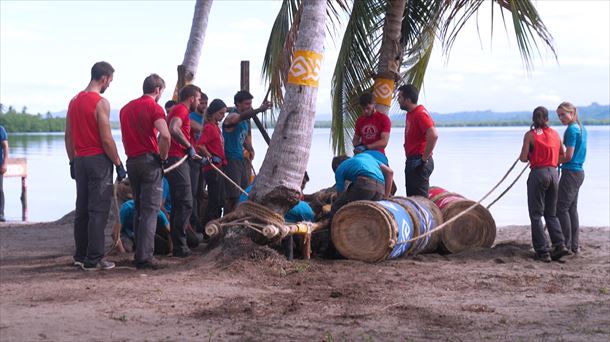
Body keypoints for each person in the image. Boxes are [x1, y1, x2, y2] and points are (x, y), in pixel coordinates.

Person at [65, 61, 126, 271]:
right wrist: (118, 163)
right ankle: (94, 259)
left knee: (82, 209)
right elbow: (107, 139)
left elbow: (68, 136)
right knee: (98, 210)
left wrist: (72, 160)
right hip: (98, 160)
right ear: (104, 78)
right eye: (110, 81)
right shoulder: (101, 102)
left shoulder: (74, 101)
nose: (110, 84)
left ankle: (80, 256)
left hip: (80, 159)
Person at [119, 73, 171, 269]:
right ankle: (145, 257)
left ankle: (138, 252)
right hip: (149, 161)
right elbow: (165, 136)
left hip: (131, 161)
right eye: (161, 92)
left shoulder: (125, 109)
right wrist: (163, 158)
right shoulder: (154, 108)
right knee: (151, 210)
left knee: (139, 209)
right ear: (157, 90)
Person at [519, 106, 570, 263]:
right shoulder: (555, 134)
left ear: (533, 120)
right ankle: (559, 245)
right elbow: (563, 156)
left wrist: (534, 157)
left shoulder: (530, 135)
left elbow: (523, 158)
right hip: (554, 173)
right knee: (551, 213)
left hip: (538, 174)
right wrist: (551, 162)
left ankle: (543, 251)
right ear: (547, 119)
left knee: (535, 215)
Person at [166, 84, 202, 258]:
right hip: (176, 159)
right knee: (186, 201)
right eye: (199, 98)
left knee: (179, 203)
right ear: (192, 98)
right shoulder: (181, 110)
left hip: (177, 159)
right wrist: (188, 147)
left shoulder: (180, 110)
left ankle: (178, 245)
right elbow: (174, 129)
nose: (200, 102)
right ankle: (180, 246)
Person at [222, 90, 271, 213]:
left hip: (241, 159)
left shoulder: (243, 120)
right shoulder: (231, 116)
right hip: (231, 160)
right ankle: (227, 219)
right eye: (246, 104)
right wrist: (259, 110)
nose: (249, 107)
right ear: (237, 104)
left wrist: (250, 148)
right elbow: (240, 117)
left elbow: (242, 136)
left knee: (244, 191)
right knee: (233, 195)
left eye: (250, 104)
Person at [556, 102, 587, 255]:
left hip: (571, 172)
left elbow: (568, 156)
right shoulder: (582, 128)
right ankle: (574, 246)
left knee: (560, 208)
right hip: (579, 172)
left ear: (573, 112)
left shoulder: (571, 130)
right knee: (571, 209)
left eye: (563, 114)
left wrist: (554, 161)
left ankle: (565, 245)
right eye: (559, 115)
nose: (561, 118)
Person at [397, 84, 438, 197]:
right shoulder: (411, 114)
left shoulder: (420, 113)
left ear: (408, 99)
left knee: (420, 202)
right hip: (412, 161)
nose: (398, 100)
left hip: (419, 161)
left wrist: (424, 159)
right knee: (412, 199)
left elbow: (433, 135)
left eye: (400, 97)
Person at [196, 99, 227, 226]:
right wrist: (211, 157)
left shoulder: (216, 128)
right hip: (213, 169)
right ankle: (208, 228)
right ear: (214, 113)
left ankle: (213, 225)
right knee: (214, 200)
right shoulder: (209, 127)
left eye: (224, 113)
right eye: (220, 113)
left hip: (219, 167)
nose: (222, 116)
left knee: (219, 200)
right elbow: (200, 145)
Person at [352, 92, 391, 166]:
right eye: (363, 109)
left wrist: (366, 147)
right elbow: (355, 139)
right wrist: (357, 146)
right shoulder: (360, 120)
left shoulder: (383, 119)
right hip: (364, 156)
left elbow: (384, 142)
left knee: (389, 175)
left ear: (374, 104)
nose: (366, 111)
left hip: (378, 156)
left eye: (368, 108)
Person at [188, 91, 208, 231]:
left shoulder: (206, 118)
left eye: (206, 103)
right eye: (201, 103)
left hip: (204, 159)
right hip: (193, 157)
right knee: (193, 191)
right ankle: (193, 221)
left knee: (201, 191)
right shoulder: (190, 116)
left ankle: (199, 220)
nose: (204, 106)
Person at [0, 125, 8, 222]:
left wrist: (5, 163)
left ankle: (1, 214)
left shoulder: (1, 129)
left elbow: (5, 146)